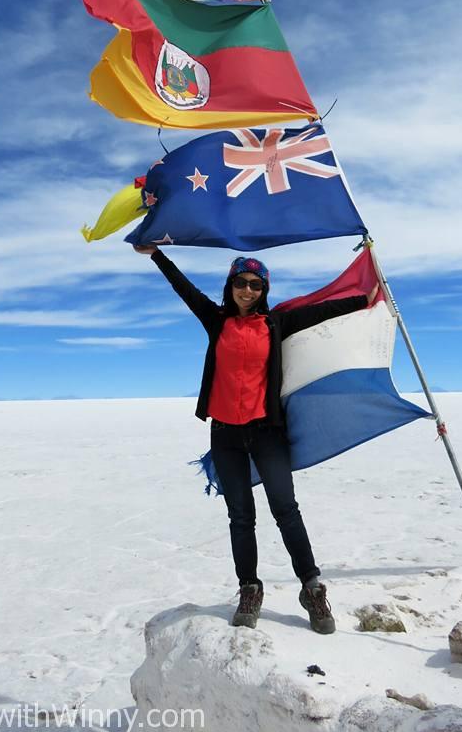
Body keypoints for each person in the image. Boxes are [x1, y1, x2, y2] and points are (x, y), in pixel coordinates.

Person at [134, 244, 378, 633]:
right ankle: (249, 587)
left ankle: (311, 587)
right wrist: (157, 256)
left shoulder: (276, 323)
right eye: (241, 283)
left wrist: (364, 299)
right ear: (230, 286)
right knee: (240, 517)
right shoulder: (216, 321)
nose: (248, 291)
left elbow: (320, 313)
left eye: (256, 285)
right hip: (226, 435)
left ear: (265, 291)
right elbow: (185, 289)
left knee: (286, 509)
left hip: (266, 433)